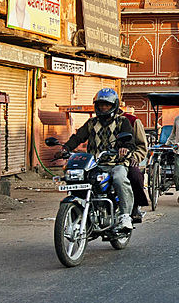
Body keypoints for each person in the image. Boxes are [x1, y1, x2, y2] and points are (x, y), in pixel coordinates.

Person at [61, 88, 147, 230]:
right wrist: (65, 148)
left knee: (120, 177)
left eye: (107, 105)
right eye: (101, 105)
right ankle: (80, 212)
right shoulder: (91, 123)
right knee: (76, 178)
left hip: (116, 163)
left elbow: (130, 141)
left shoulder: (123, 121)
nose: (103, 107)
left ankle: (125, 215)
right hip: (95, 164)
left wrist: (124, 148)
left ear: (114, 105)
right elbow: (78, 137)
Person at [121, 112, 150, 223]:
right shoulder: (98, 121)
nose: (104, 108)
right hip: (104, 160)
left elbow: (142, 145)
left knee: (135, 175)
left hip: (128, 158)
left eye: (107, 105)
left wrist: (135, 157)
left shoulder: (132, 120)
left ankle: (135, 206)